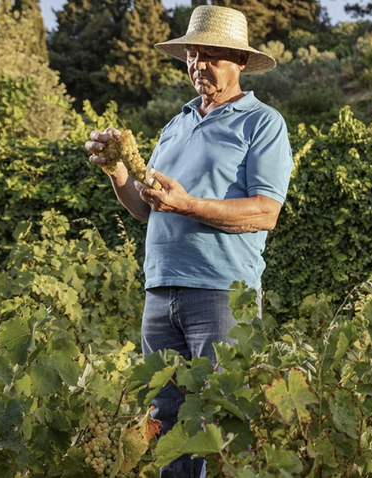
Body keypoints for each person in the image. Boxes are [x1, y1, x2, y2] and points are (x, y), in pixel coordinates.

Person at [84, 6, 293, 477]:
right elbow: (144, 207)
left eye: (212, 55)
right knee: (169, 429)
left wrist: (189, 204)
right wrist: (117, 169)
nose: (200, 64)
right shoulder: (174, 124)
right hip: (160, 294)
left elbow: (266, 211)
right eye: (193, 54)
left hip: (221, 294)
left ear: (239, 62)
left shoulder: (261, 123)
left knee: (223, 424)